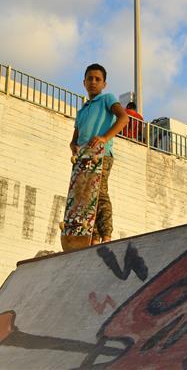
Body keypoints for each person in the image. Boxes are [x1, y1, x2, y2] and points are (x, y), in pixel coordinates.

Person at [63, 63, 128, 251]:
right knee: (86, 198)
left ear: (104, 84)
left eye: (97, 79)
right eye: (90, 78)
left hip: (101, 154)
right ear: (83, 82)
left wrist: (104, 138)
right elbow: (74, 139)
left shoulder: (107, 99)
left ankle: (106, 235)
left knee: (99, 193)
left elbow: (124, 118)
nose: (93, 82)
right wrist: (74, 147)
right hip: (82, 158)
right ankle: (93, 238)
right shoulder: (82, 111)